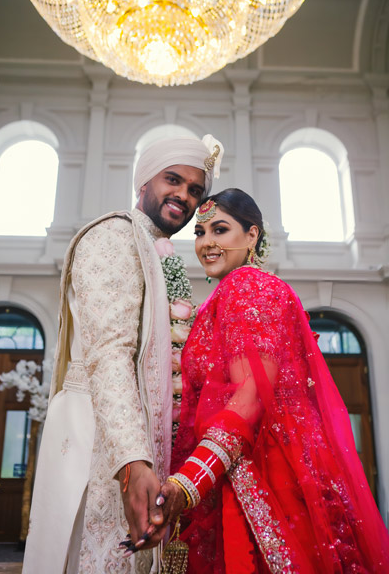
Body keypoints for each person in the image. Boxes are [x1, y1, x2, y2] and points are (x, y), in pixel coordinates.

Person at [155, 188, 389, 573]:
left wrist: (191, 481)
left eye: (220, 230)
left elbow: (250, 397)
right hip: (238, 468)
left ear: (252, 236)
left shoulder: (247, 287)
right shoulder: (233, 293)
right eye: (199, 232)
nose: (207, 243)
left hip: (257, 477)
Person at [22, 134, 224, 574]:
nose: (184, 196)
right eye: (173, 180)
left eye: (195, 191)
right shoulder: (113, 235)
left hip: (129, 431)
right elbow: (110, 354)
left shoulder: (152, 248)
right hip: (99, 432)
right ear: (143, 182)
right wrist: (133, 463)